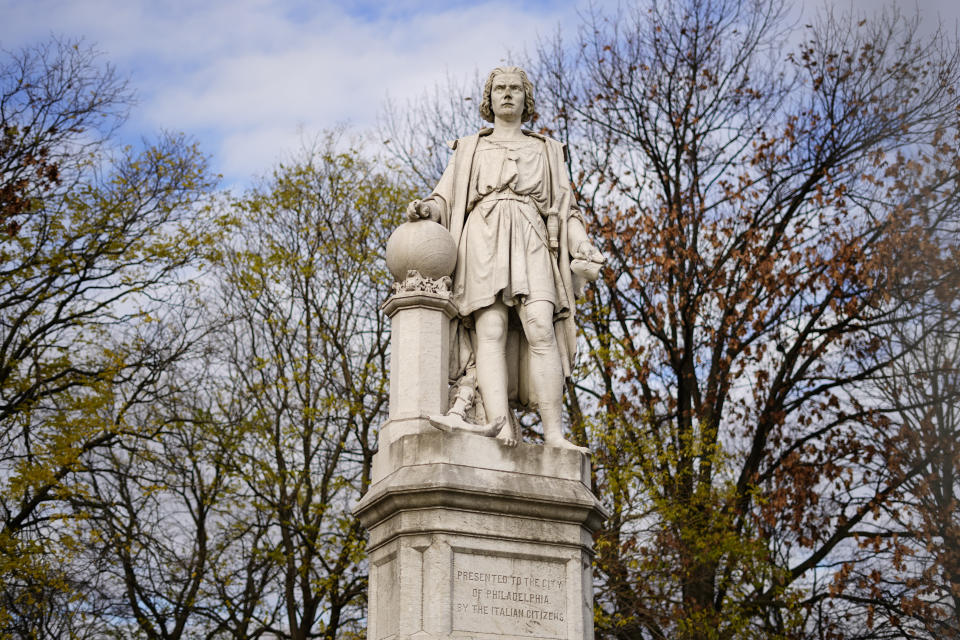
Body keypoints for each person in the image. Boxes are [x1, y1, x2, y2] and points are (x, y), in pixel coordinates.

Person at [407, 66, 604, 451]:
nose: (507, 94)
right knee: (491, 331)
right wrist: (427, 210)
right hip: (484, 236)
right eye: (500, 88)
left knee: (541, 328)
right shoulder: (471, 148)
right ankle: (500, 429)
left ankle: (554, 435)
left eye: (515, 88)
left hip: (532, 234)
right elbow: (444, 197)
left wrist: (581, 245)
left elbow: (568, 210)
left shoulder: (548, 149)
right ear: (490, 97)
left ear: (525, 97)